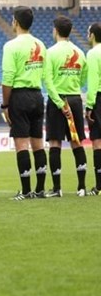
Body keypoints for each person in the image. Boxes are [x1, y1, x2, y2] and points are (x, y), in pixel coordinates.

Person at [0, 6, 48, 200]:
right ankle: (40, 189)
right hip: (37, 95)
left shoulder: (11, 46)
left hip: (19, 96)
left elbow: (8, 79)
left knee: (21, 144)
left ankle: (26, 191)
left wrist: (5, 105)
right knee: (38, 144)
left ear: (16, 22)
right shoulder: (41, 44)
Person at [43, 16, 87, 197]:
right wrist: (73, 87)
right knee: (76, 142)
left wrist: (60, 103)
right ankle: (82, 187)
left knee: (55, 142)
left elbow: (48, 81)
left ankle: (57, 188)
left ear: (55, 30)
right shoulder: (80, 52)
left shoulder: (50, 52)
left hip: (57, 101)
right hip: (75, 99)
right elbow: (83, 78)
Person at [84, 22, 101, 196]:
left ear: (93, 35)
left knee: (97, 142)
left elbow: (93, 82)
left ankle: (99, 186)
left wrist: (89, 105)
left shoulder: (93, 53)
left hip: (99, 99)